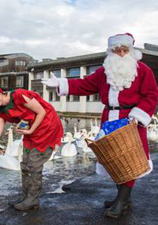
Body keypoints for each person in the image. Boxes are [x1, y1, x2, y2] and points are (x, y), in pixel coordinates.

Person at [42, 33, 158, 218]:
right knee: (113, 158)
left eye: (124, 49)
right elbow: (85, 85)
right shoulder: (105, 71)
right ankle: (123, 198)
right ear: (111, 51)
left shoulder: (143, 70)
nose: (120, 53)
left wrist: (138, 116)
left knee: (130, 159)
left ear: (131, 50)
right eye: (116, 50)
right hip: (109, 118)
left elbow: (151, 95)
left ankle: (122, 201)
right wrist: (62, 84)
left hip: (131, 119)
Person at [0, 82, 63, 210]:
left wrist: (30, 130)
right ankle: (26, 197)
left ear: (1, 92)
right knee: (24, 164)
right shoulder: (1, 113)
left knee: (34, 163)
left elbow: (41, 112)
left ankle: (32, 200)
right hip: (31, 130)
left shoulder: (19, 95)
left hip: (47, 126)